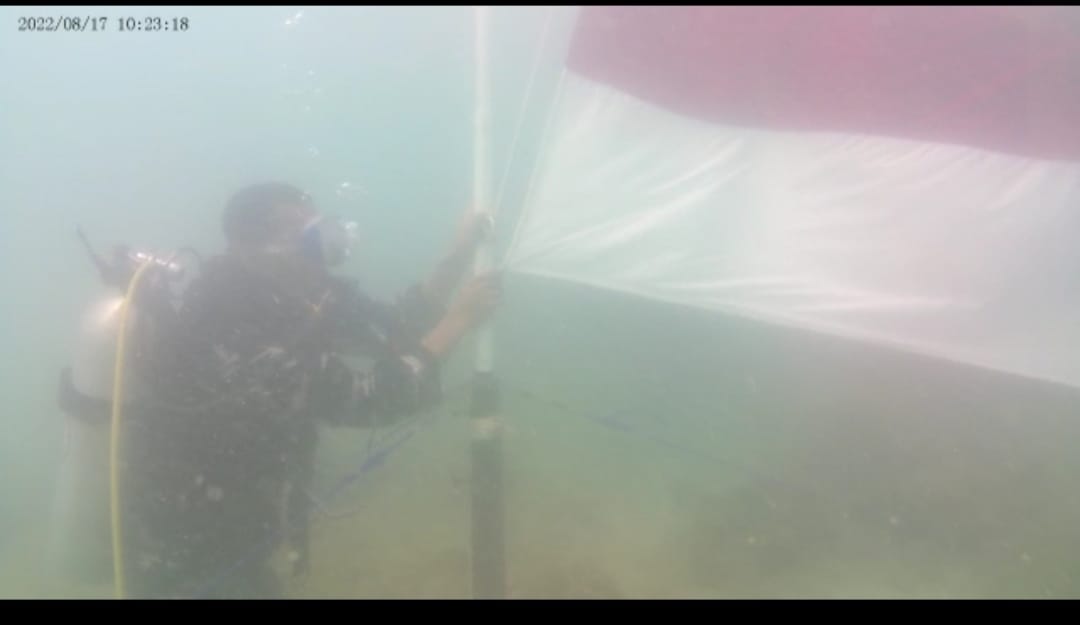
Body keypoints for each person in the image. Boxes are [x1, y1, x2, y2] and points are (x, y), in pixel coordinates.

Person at [120, 182, 500, 598]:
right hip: (185, 546)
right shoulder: (227, 323)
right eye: (292, 231)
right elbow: (370, 398)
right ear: (244, 246)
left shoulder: (303, 293)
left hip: (242, 525)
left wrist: (457, 255)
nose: (315, 243)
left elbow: (398, 328)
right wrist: (460, 320)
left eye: (315, 228)